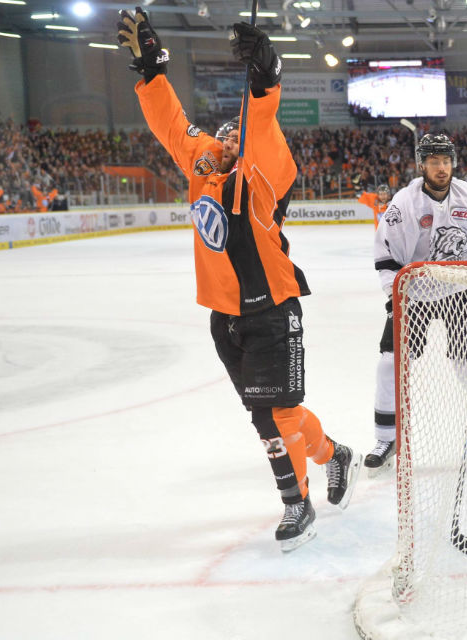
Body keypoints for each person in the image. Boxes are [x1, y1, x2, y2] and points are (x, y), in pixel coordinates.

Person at [116, 8, 361, 551]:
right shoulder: (205, 164)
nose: (228, 144)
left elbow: (262, 124)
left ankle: (297, 505)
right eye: (224, 139)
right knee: (271, 410)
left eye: (235, 139)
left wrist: (263, 75)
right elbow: (173, 127)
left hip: (271, 305)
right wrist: (151, 72)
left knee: (275, 414)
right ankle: (334, 454)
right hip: (224, 314)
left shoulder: (265, 176)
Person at [369, 133, 467, 475]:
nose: (441, 168)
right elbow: (387, 257)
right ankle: (387, 437)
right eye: (433, 161)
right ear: (422, 165)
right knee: (391, 362)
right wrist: (393, 296)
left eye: (445, 161)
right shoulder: (404, 205)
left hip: (461, 289)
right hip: (415, 291)